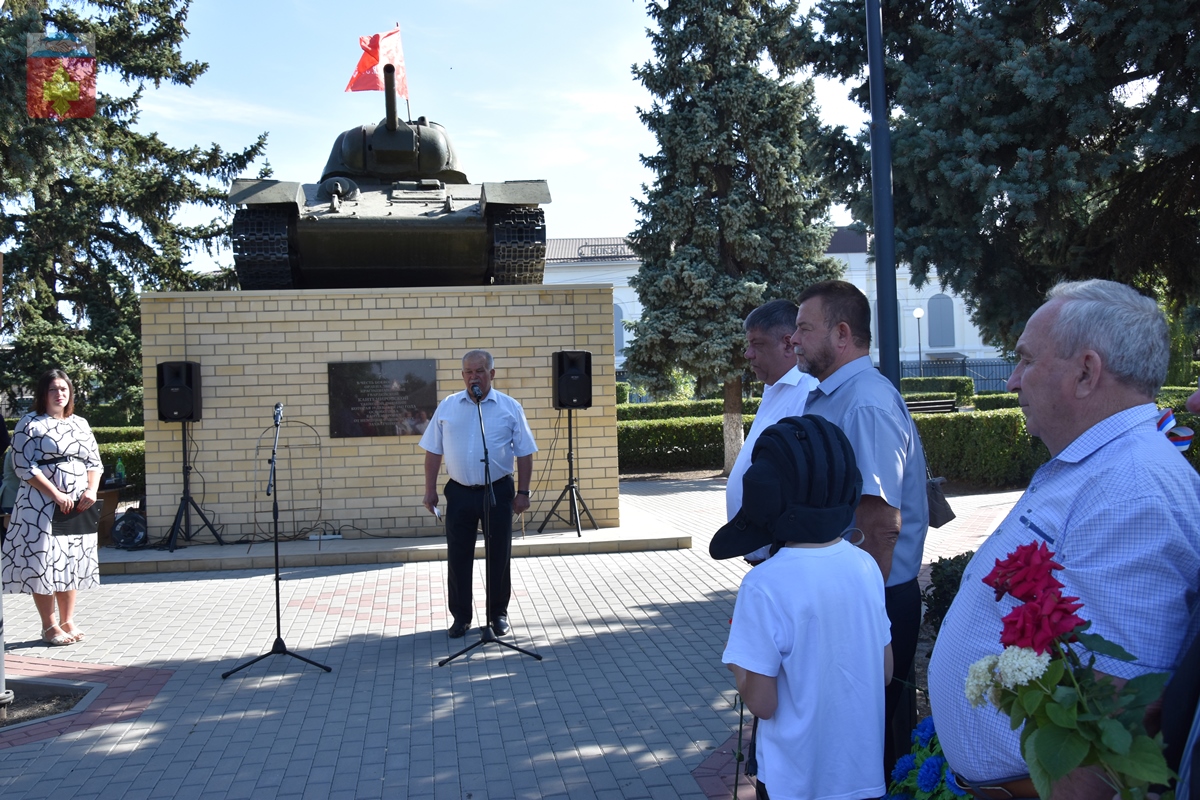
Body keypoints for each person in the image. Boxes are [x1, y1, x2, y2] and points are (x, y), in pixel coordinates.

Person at [927, 280, 1200, 798]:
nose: (1011, 382)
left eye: (1026, 361)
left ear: (1086, 372)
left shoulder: (1132, 488)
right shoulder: (1102, 465)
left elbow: (1114, 715)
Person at [789, 279, 930, 770]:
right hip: (857, 594)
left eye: (804, 329)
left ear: (842, 333)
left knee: (858, 751)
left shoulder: (864, 402)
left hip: (873, 598)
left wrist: (857, 614)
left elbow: (879, 522)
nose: (794, 340)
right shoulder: (835, 395)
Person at [715, 414, 893, 800]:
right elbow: (884, 672)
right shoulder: (865, 566)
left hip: (793, 783)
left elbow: (762, 704)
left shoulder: (764, 585)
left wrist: (740, 666)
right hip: (862, 778)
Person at [420, 350, 537, 639]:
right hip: (459, 492)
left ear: (492, 374)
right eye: (468, 372)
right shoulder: (448, 407)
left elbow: (524, 452)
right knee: (459, 556)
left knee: (499, 554)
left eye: (480, 371)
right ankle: (461, 617)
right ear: (462, 375)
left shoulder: (509, 407)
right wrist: (430, 490)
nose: (474, 377)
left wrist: (523, 492)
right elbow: (434, 450)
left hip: (497, 490)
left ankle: (497, 614)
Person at [1, 369, 103, 646]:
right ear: (43, 394)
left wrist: (91, 490)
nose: (60, 394)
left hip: (78, 505)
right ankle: (49, 626)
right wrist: (55, 493)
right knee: (45, 563)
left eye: (64, 389)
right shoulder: (30, 423)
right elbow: (23, 466)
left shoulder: (80, 423)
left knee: (70, 561)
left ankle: (68, 619)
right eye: (54, 390)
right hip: (41, 505)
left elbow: (94, 462)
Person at [726, 299, 819, 564]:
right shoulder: (776, 388)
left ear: (788, 344)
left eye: (757, 344)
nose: (748, 354)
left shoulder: (806, 392)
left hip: (785, 558)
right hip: (768, 557)